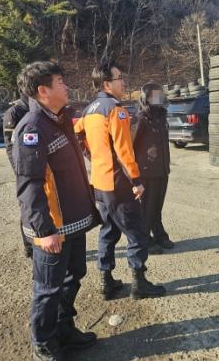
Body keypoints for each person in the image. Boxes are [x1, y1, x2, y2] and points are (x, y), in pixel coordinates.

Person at [12, 61, 99, 361]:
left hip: (73, 222)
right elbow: (29, 184)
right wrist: (44, 230)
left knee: (74, 275)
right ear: (43, 90)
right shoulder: (33, 128)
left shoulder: (60, 120)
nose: (66, 86)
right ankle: (43, 342)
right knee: (48, 288)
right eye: (60, 81)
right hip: (53, 227)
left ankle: (64, 328)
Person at [74, 61, 166, 300]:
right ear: (107, 84)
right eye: (119, 78)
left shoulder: (89, 109)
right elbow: (125, 151)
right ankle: (139, 284)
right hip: (118, 183)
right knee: (137, 233)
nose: (124, 82)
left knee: (109, 230)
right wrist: (136, 180)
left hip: (99, 182)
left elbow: (78, 133)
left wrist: (93, 156)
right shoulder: (116, 110)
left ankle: (106, 282)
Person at [132, 82, 174, 255]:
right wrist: (134, 174)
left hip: (162, 169)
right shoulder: (140, 118)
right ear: (146, 98)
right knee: (147, 208)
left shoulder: (162, 116)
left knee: (157, 206)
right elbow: (130, 146)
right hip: (147, 171)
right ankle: (144, 239)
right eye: (155, 95)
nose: (159, 97)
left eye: (160, 94)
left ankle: (159, 234)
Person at [3, 90, 31, 258]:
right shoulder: (14, 112)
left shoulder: (38, 107)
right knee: (27, 206)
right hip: (23, 168)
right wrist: (18, 170)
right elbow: (9, 146)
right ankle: (28, 246)